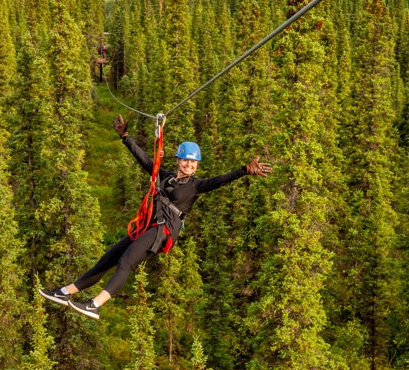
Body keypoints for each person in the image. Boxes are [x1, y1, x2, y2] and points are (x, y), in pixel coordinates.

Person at [40, 114, 272, 319]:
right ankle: (65, 292)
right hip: (147, 226)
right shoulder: (166, 177)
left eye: (193, 162)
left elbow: (220, 180)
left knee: (126, 262)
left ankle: (95, 305)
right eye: (186, 160)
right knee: (107, 260)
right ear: (179, 161)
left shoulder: (197, 186)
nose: (189, 165)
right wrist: (126, 137)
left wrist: (244, 170)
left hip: (163, 231)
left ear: (196, 165)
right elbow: (145, 161)